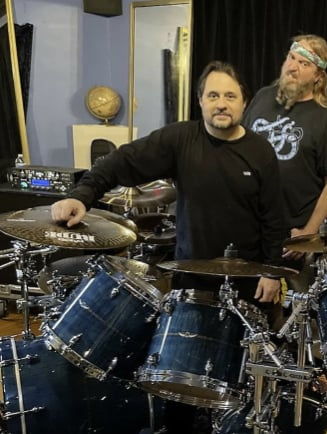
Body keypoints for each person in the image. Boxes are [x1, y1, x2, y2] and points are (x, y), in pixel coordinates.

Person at [50, 60, 289, 434]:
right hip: (191, 282)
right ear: (200, 101)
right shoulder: (181, 140)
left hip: (247, 286)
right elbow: (122, 160)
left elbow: (275, 217)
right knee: (180, 383)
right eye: (213, 95)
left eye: (230, 96)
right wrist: (82, 194)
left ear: (244, 102)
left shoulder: (260, 151)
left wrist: (272, 272)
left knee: (243, 387)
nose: (221, 103)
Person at [242, 34, 327, 295]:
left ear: (318, 76)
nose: (292, 67)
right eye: (291, 58)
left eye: (304, 63)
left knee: (289, 313)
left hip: (291, 236)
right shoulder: (262, 97)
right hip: (250, 229)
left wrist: (309, 232)